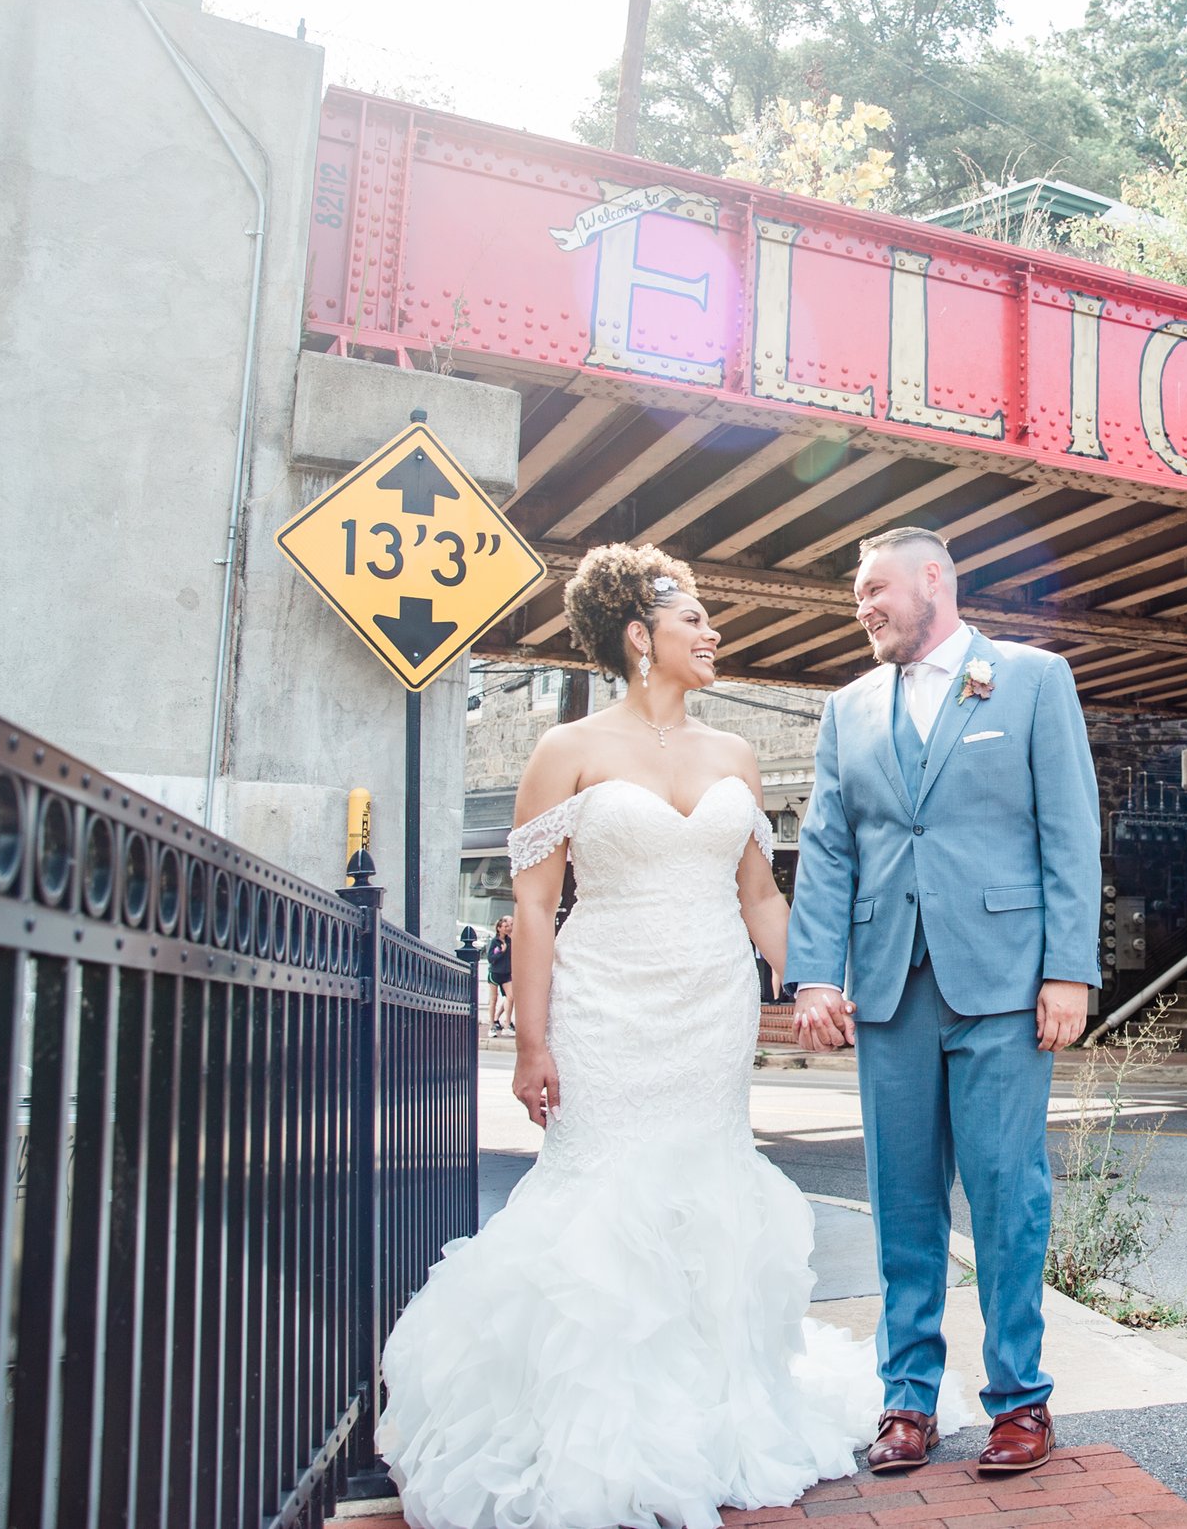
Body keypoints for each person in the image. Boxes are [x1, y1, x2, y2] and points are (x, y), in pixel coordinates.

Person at [378, 543, 888, 1529]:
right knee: (602, 1197)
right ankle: (588, 1426)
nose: (715, 634)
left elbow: (756, 895)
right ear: (638, 636)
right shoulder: (564, 752)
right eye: (695, 618)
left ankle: (705, 1411)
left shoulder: (735, 755)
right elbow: (532, 907)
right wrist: (532, 1041)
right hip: (603, 1002)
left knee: (704, 1197)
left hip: (708, 1007)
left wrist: (814, 980)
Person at [786, 526, 1102, 1477]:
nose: (863, 605)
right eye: (856, 594)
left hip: (1006, 985)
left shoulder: (1035, 681)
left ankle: (1019, 1401)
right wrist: (813, 975)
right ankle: (907, 1401)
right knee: (902, 1203)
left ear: (935, 580)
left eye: (875, 587)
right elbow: (829, 846)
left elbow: (1069, 832)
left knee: (1009, 1196)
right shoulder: (846, 709)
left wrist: (1069, 969)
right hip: (888, 989)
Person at [486, 915, 515, 1036]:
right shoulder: (495, 942)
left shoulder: (509, 940)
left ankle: (507, 1024)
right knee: (494, 999)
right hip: (495, 973)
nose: (508, 928)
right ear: (499, 928)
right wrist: (501, 952)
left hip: (506, 973)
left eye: (509, 926)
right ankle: (492, 1025)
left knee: (511, 996)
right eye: (505, 926)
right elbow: (491, 958)